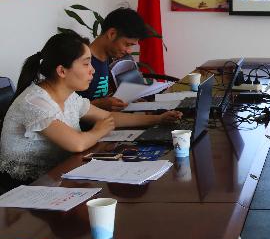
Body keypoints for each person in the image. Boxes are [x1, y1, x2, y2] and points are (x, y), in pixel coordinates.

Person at [0, 31, 181, 191]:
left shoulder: (69, 95)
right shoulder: (35, 102)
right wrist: (99, 130)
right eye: (86, 64)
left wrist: (158, 119)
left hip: (57, 175)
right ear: (62, 71)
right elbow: (77, 144)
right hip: (25, 187)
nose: (92, 70)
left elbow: (109, 117)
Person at [79, 7, 148, 111]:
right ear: (112, 34)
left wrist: (124, 100)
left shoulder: (106, 59)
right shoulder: (81, 62)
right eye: (127, 44)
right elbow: (65, 108)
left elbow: (100, 98)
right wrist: (98, 104)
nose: (129, 51)